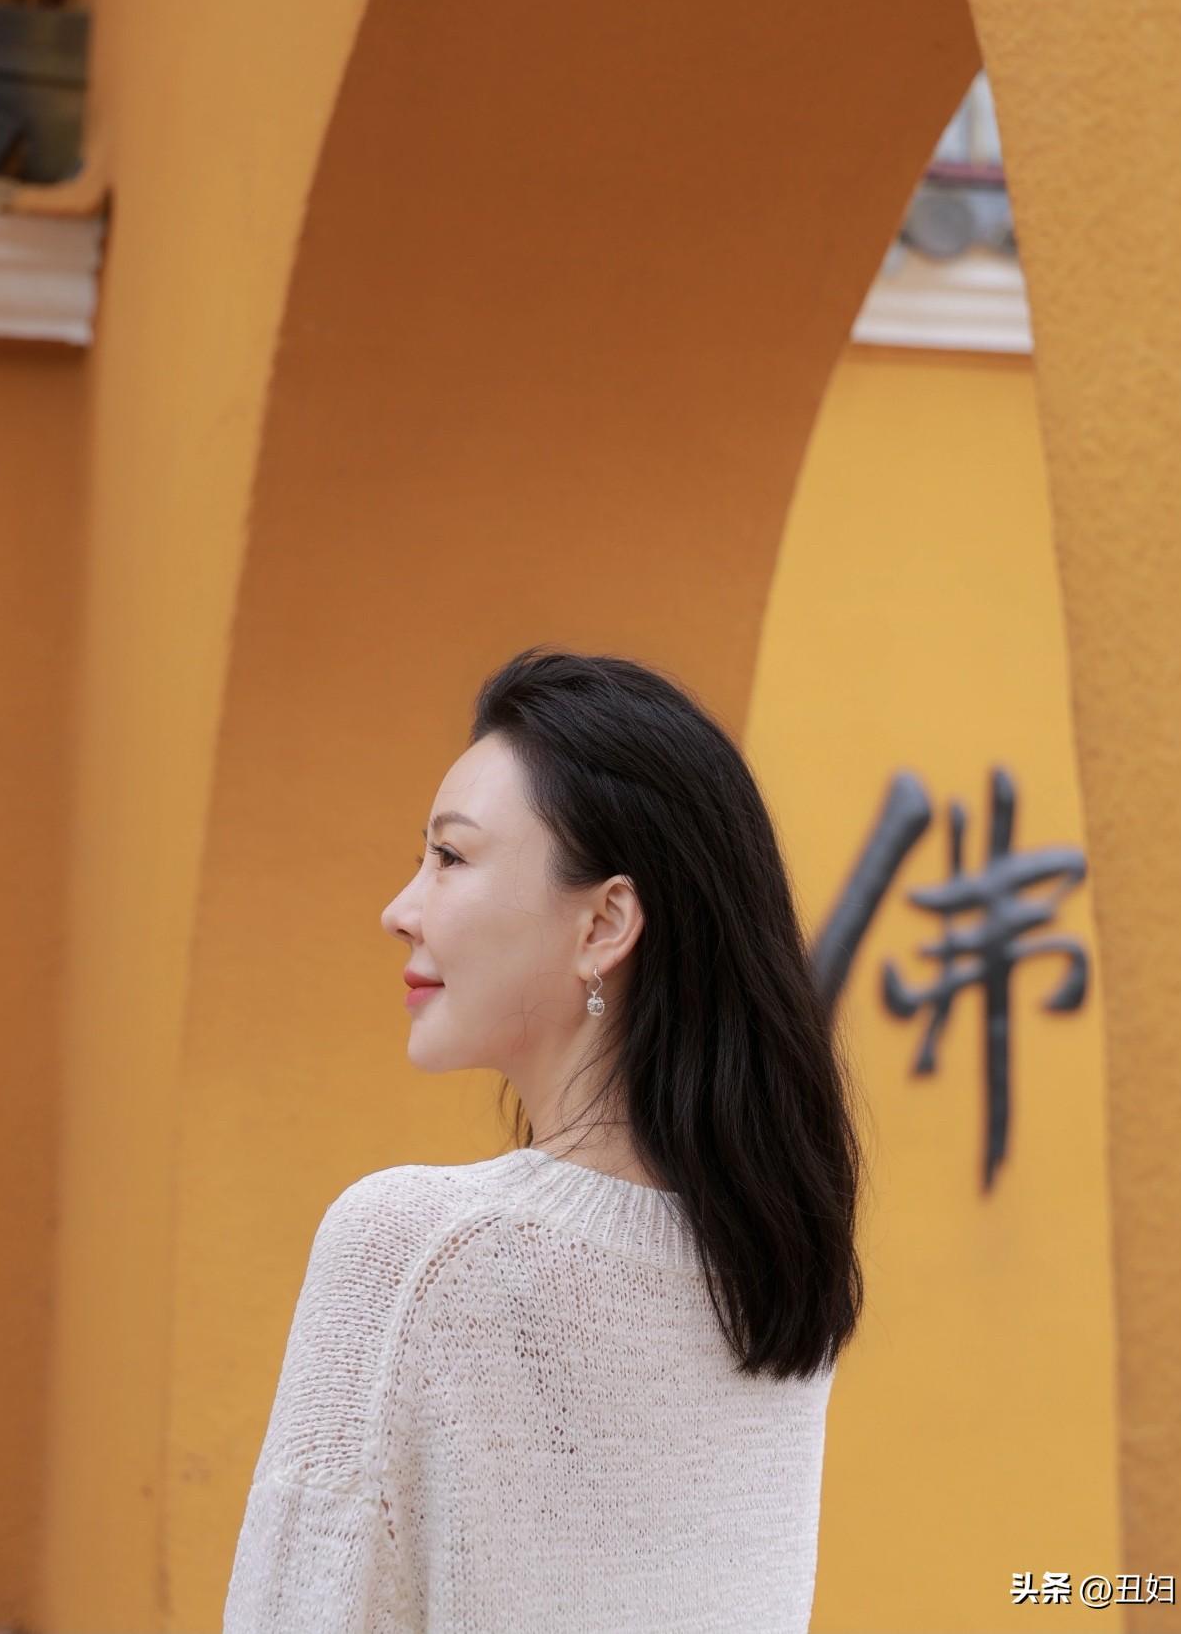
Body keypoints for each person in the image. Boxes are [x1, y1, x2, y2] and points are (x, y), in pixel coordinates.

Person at [222, 646, 869, 1632]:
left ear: (605, 921)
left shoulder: (419, 1250)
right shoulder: (772, 1275)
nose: (399, 910)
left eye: (450, 856)